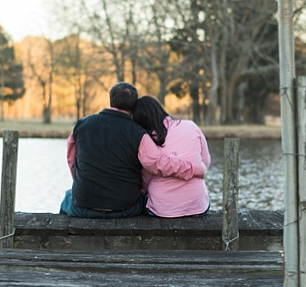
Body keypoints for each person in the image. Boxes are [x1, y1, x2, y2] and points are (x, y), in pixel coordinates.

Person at [59, 82, 206, 218]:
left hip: (84, 206)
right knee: (147, 201)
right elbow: (158, 163)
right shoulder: (139, 133)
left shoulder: (82, 125)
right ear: (133, 105)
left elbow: (72, 160)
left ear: (111, 99)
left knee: (68, 196)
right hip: (125, 208)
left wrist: (85, 183)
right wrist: (193, 169)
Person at [132, 95, 211, 218]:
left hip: (162, 209)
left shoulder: (148, 140)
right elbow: (205, 161)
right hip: (198, 205)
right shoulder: (191, 126)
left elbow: (146, 178)